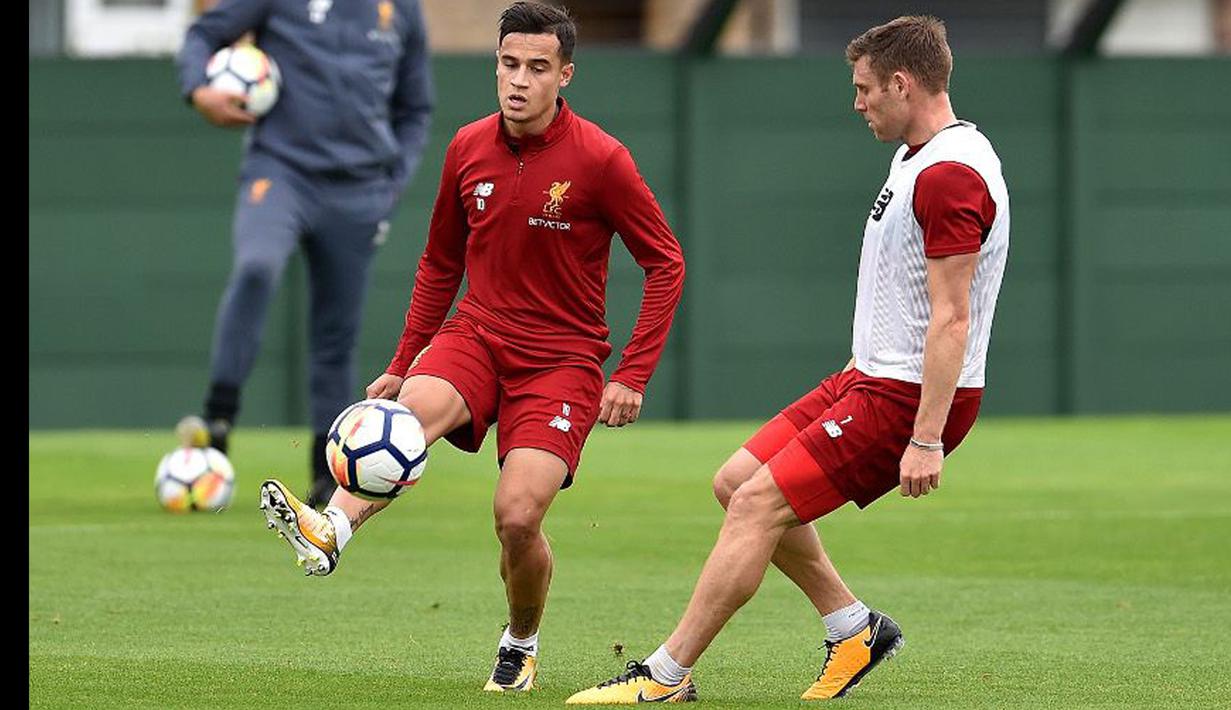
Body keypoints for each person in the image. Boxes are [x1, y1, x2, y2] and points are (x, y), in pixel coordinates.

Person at [566, 15, 1010, 704]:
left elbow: (953, 317)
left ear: (902, 82)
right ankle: (853, 627)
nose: (856, 102)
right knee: (735, 480)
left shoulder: (951, 174)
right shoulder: (921, 157)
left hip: (903, 395)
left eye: (864, 88)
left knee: (753, 507)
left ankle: (663, 675)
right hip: (867, 375)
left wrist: (926, 436)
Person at [258, 1, 686, 694]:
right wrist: (402, 364)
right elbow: (437, 265)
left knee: (516, 518)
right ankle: (332, 526)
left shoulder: (601, 160)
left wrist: (631, 372)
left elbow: (666, 263)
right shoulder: (466, 147)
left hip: (563, 361)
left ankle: (520, 640)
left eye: (537, 68)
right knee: (405, 419)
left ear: (564, 75)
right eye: (509, 64)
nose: (519, 80)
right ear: (496, 66)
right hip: (476, 334)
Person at [176, 0, 434, 507]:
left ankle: (325, 469)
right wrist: (199, 90)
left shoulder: (402, 9)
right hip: (281, 172)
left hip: (360, 190)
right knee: (256, 267)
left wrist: (392, 187)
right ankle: (218, 417)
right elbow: (202, 35)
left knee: (336, 333)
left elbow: (415, 108)